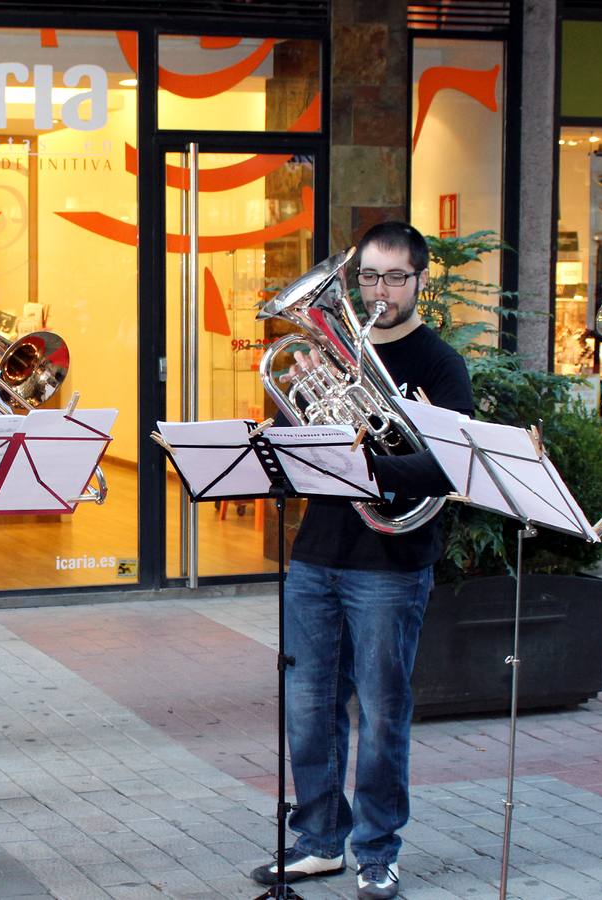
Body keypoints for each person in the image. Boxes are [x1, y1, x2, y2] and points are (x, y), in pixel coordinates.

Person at [250, 222, 473, 900]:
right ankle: (320, 841)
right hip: (319, 553)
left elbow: (450, 466)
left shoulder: (439, 364)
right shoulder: (328, 356)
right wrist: (294, 428)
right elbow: (297, 454)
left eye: (395, 278)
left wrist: (370, 454)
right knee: (309, 706)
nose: (380, 292)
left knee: (380, 710)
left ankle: (377, 850)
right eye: (369, 278)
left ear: (421, 282)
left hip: (392, 558)